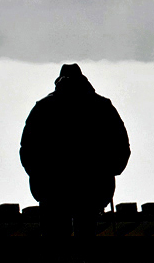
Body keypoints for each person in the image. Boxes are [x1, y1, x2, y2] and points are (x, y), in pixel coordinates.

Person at [20, 63, 130, 236]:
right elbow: (120, 144)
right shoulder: (102, 106)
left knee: (55, 242)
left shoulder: (43, 107)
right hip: (92, 186)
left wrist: (39, 178)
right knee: (86, 237)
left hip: (53, 188)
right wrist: (111, 170)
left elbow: (28, 149)